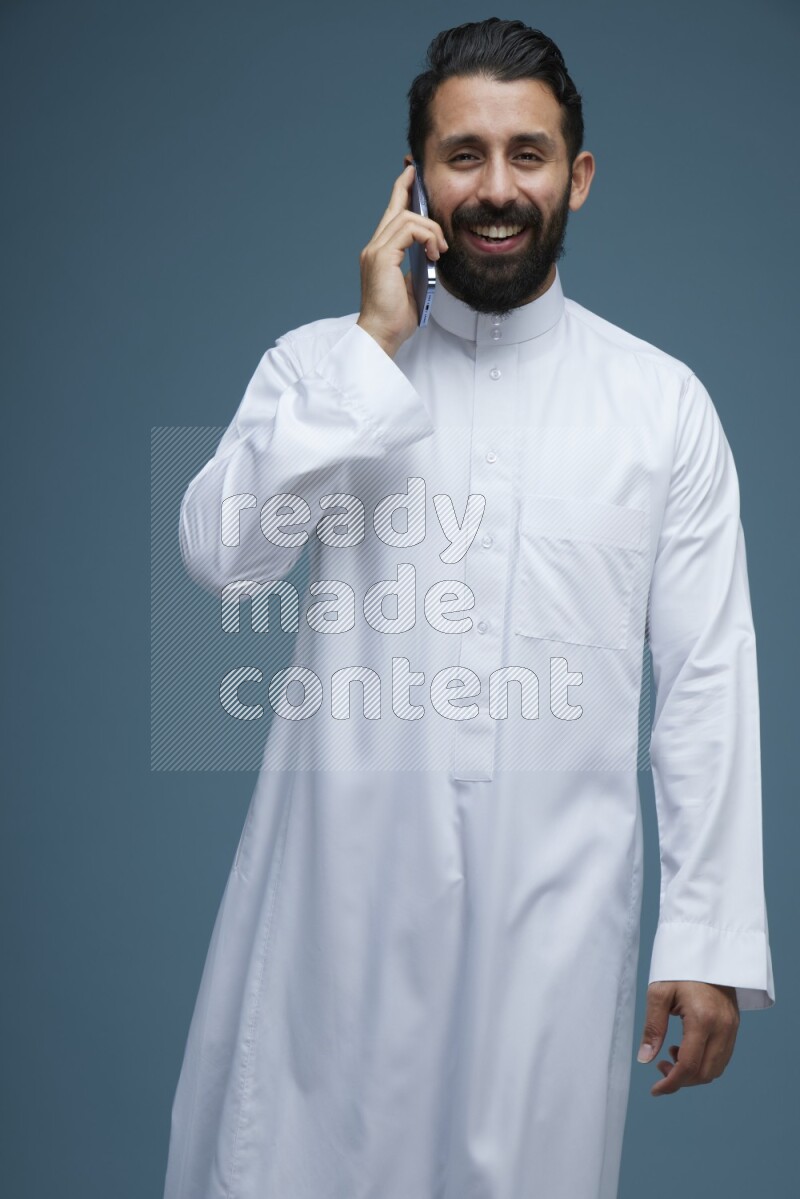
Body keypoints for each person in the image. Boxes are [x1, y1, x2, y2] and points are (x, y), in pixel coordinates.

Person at [163, 18, 775, 1199]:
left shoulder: (660, 405)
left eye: (527, 154)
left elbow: (705, 673)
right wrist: (369, 352)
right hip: (332, 913)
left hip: (549, 920)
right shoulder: (317, 366)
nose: (495, 188)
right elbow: (217, 559)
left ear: (577, 177)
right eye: (462, 154)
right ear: (412, 178)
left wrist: (705, 936)